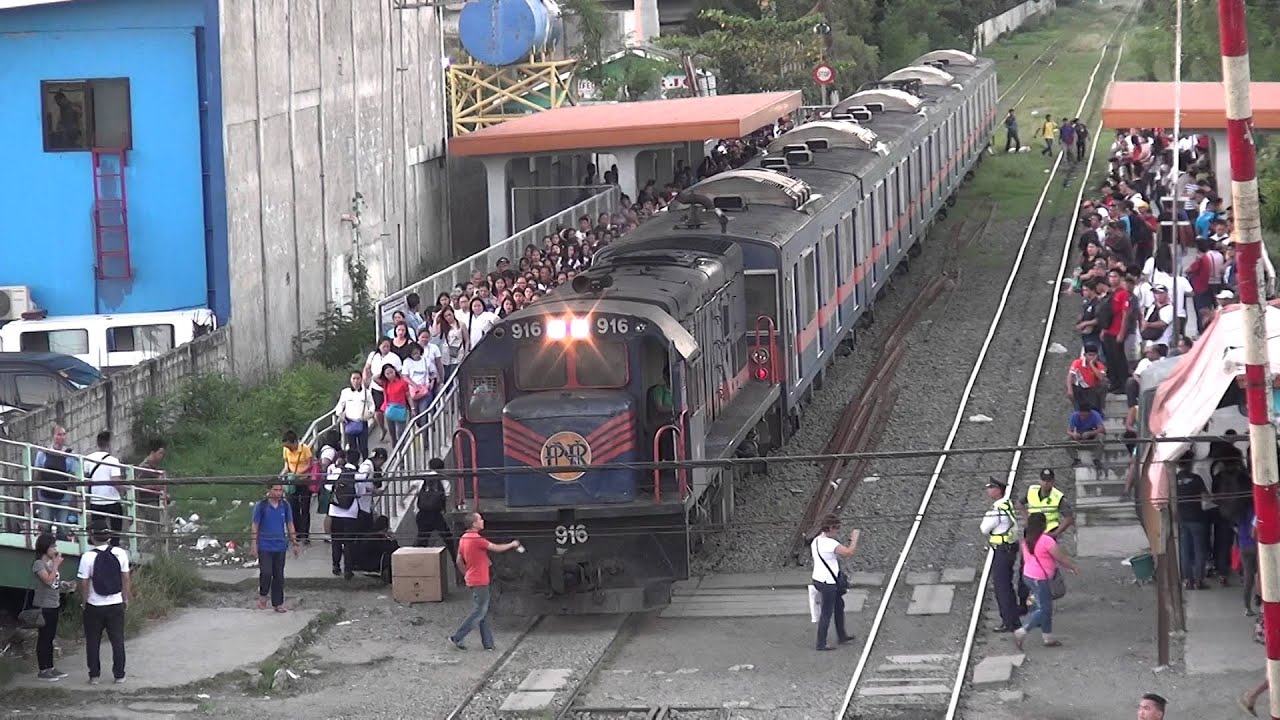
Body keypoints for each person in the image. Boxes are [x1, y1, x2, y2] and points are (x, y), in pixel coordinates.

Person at [449, 512, 522, 650]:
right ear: (474, 524)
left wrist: (466, 574)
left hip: (472, 578)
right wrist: (512, 544)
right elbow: (496, 548)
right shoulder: (477, 540)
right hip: (480, 580)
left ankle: (488, 644)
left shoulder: (464, 538)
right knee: (479, 612)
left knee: (483, 613)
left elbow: (459, 560)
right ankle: (457, 637)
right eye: (480, 519)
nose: (483, 521)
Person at [1013, 512, 1078, 651]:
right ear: (1043, 525)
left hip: (1028, 576)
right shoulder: (1046, 540)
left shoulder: (1027, 539)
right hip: (1040, 579)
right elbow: (1060, 557)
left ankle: (1048, 637)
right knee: (1044, 609)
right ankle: (1022, 631)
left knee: (1044, 607)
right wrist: (1072, 567)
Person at [78, 522, 130, 684]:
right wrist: (125, 597)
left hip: (94, 604)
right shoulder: (120, 553)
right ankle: (119, 675)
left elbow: (84, 582)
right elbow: (126, 577)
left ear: (92, 537)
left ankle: (94, 676)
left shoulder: (88, 557)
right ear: (109, 537)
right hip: (116, 603)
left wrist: (84, 601)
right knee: (117, 640)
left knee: (93, 641)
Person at [810, 514, 859, 651]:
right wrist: (854, 539)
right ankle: (821, 643)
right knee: (827, 612)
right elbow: (849, 552)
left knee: (839, 605)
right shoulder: (830, 543)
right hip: (828, 582)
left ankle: (842, 635)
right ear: (830, 527)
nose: (838, 531)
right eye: (837, 528)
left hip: (819, 579)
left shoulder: (817, 541)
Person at [980, 479, 1021, 633]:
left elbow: (984, 529)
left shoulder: (996, 508)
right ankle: (1013, 619)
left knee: (1001, 587)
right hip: (1010, 548)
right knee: (1008, 585)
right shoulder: (1007, 504)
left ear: (998, 490)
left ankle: (1008, 622)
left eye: (991, 487)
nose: (988, 490)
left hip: (1002, 550)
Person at [251, 483, 299, 612]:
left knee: (279, 575)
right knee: (266, 572)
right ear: (269, 490)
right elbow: (255, 525)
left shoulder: (285, 506)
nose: (279, 493)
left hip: (280, 545)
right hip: (264, 545)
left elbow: (290, 524)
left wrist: (294, 542)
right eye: (276, 490)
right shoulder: (261, 506)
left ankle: (278, 603)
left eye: (280, 490)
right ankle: (263, 595)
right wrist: (254, 544)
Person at [32, 533, 70, 680]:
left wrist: (64, 585)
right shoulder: (38, 564)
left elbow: (53, 583)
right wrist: (55, 565)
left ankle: (51, 667)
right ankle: (43, 669)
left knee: (50, 637)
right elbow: (47, 580)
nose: (55, 549)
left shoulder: (49, 563)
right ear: (45, 548)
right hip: (43, 605)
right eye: (52, 546)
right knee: (44, 638)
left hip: (54, 603)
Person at [34, 426, 78, 538]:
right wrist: (35, 493)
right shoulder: (43, 453)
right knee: (45, 526)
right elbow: (37, 474)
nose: (62, 437)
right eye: (59, 434)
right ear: (53, 436)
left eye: (64, 434)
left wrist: (74, 496)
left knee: (62, 528)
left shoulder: (70, 455)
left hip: (63, 496)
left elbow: (73, 477)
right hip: (45, 494)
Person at [85, 431, 126, 547]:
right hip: (112, 500)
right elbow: (115, 480)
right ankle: (114, 546)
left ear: (97, 443)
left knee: (97, 529)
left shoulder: (88, 458)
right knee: (116, 529)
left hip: (96, 500)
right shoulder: (113, 460)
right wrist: (125, 490)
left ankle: (97, 547)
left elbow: (84, 477)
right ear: (109, 443)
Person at [415, 457, 456, 559]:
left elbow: (413, 491)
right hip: (436, 515)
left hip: (422, 514)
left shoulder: (421, 479)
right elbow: (446, 498)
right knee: (448, 539)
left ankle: (415, 562)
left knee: (422, 539)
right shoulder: (444, 482)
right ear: (442, 469)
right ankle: (456, 560)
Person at [280, 430, 315, 544]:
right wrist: (282, 475)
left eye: (289, 446)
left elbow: (310, 465)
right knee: (293, 507)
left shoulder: (305, 449)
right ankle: (296, 533)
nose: (288, 448)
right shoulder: (286, 450)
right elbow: (287, 465)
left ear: (295, 442)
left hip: (304, 481)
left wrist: (299, 474)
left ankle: (305, 534)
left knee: (304, 508)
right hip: (292, 481)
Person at [1021, 468, 1076, 539]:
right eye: (1043, 480)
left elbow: (1069, 518)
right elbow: (1019, 503)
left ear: (1053, 482)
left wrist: (1055, 533)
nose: (1045, 483)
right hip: (1032, 530)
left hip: (1049, 531)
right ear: (1039, 480)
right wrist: (1026, 519)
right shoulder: (1032, 490)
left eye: (1048, 481)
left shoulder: (1058, 496)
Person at [334, 371, 373, 460]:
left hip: (362, 421)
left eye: (358, 378)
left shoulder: (366, 393)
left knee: (363, 446)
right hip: (349, 422)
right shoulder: (345, 392)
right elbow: (339, 406)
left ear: (361, 379)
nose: (356, 381)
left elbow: (372, 405)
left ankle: (365, 461)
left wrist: (370, 413)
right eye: (354, 379)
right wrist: (340, 414)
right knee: (352, 446)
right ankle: (353, 464)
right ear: (350, 380)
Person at [1066, 404, 1106, 468]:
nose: (1082, 417)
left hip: (1092, 436)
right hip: (1079, 437)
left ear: (1089, 413)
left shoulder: (1095, 415)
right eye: (1081, 415)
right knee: (1067, 440)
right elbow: (1068, 431)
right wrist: (1073, 434)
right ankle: (1076, 459)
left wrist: (1090, 433)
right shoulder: (1074, 416)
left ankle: (1096, 459)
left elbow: (1101, 429)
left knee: (1101, 436)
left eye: (1085, 415)